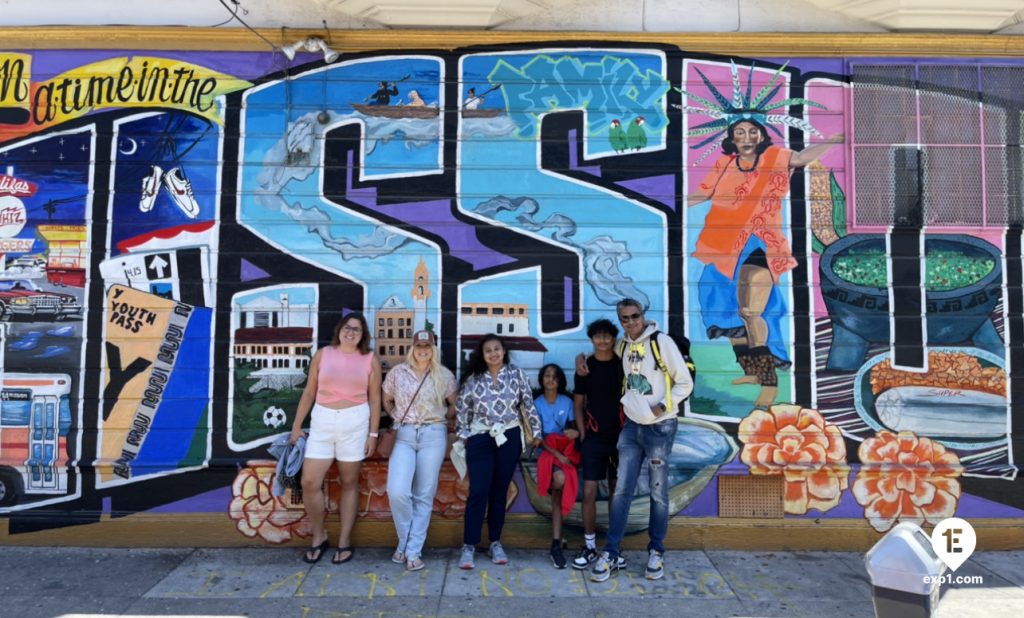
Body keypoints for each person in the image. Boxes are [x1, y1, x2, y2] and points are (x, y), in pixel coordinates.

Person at [687, 118, 843, 408]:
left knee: (750, 310)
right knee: (721, 306)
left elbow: (802, 157)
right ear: (732, 139)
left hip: (761, 244)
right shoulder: (725, 164)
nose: (746, 137)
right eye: (739, 133)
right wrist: (675, 200)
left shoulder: (775, 157)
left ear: (761, 136)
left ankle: (769, 384)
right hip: (722, 245)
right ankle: (751, 370)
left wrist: (836, 138)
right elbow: (704, 191)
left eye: (752, 132)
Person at [590, 299, 693, 583]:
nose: (632, 321)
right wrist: (581, 360)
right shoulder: (623, 346)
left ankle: (656, 551)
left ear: (644, 316)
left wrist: (660, 408)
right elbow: (601, 356)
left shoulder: (662, 342)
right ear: (620, 321)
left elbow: (684, 382)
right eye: (625, 318)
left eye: (635, 316)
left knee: (658, 494)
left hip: (660, 428)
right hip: (632, 427)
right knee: (622, 491)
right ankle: (611, 552)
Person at [289, 312, 381, 565]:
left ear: (363, 335)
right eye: (347, 328)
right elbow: (309, 392)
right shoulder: (323, 354)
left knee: (349, 482)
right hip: (322, 422)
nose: (351, 333)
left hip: (355, 422)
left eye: (357, 330)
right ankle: (319, 535)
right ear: (339, 330)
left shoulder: (370, 359)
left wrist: (373, 434)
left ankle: (344, 541)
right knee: (309, 482)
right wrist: (296, 427)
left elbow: (375, 399)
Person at [454, 334, 543, 569]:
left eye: (497, 349)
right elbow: (463, 409)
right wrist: (463, 436)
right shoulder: (473, 379)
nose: (493, 353)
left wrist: (536, 432)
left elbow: (527, 404)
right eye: (488, 350)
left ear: (504, 351)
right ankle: (469, 545)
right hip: (481, 437)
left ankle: (495, 542)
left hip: (510, 437)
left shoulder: (517, 374)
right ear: (482, 355)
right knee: (479, 491)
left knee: (499, 491)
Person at [382, 330, 457, 572]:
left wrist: (445, 419)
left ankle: (412, 550)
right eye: (419, 345)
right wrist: (396, 417)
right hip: (403, 434)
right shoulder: (397, 373)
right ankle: (405, 541)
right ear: (412, 348)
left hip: (433, 434)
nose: (423, 349)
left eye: (427, 345)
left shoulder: (443, 375)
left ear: (433, 348)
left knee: (424, 494)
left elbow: (454, 404)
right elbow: (386, 400)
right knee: (397, 491)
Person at [570, 319, 624, 571]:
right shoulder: (585, 368)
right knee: (589, 493)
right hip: (593, 439)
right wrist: (582, 434)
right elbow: (578, 404)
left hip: (621, 440)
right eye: (597, 337)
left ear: (614, 339)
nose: (602, 341)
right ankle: (590, 546)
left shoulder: (623, 365)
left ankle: (614, 548)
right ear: (591, 340)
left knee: (616, 494)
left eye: (607, 336)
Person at [533, 363, 579, 569]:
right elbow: (537, 438)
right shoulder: (537, 403)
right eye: (547, 376)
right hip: (548, 452)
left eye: (554, 376)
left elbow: (571, 429)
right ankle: (557, 540)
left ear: (560, 381)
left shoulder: (567, 402)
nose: (550, 379)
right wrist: (557, 455)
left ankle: (556, 542)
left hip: (565, 451)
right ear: (542, 379)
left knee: (561, 489)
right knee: (559, 480)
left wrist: (573, 434)